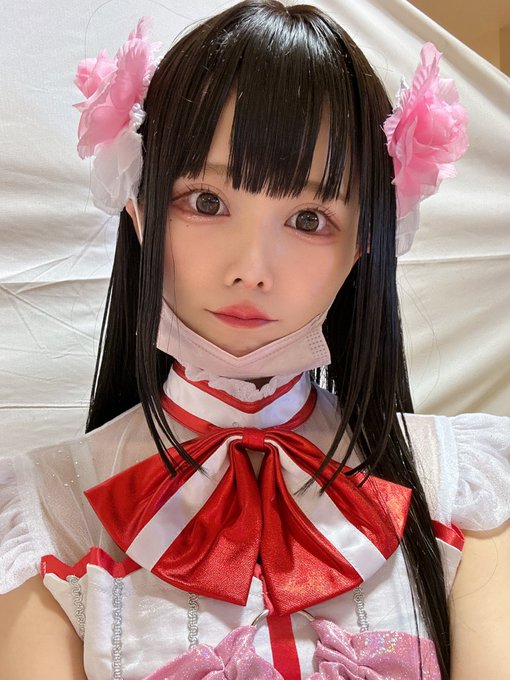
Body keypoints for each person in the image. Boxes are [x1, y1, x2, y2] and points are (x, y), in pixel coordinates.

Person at [0, 2, 508, 678]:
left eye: (309, 218)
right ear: (140, 209)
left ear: (367, 242)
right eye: (206, 202)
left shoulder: (465, 488)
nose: (251, 269)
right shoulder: (43, 516)